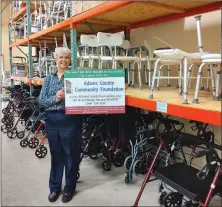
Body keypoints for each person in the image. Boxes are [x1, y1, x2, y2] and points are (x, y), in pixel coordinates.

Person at [38, 47, 82, 203]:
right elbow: (41, 101)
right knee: (56, 156)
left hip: (70, 119)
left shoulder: (76, 78)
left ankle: (69, 188)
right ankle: (54, 188)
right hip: (52, 121)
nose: (63, 60)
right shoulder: (49, 79)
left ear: (70, 60)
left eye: (66, 58)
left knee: (71, 155)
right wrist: (55, 99)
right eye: (60, 57)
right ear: (55, 59)